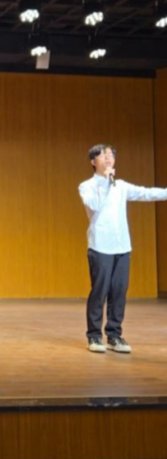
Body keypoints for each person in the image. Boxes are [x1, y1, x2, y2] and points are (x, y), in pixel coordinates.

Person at [79, 144, 167, 354]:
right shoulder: (87, 186)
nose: (108, 158)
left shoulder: (121, 186)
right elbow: (95, 205)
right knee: (99, 291)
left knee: (119, 291)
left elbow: (146, 193)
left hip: (122, 246)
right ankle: (93, 336)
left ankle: (114, 335)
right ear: (93, 161)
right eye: (103, 155)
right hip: (100, 246)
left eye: (111, 155)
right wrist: (106, 182)